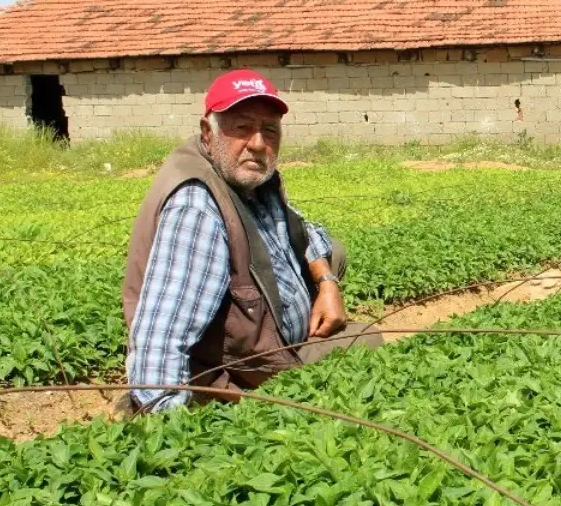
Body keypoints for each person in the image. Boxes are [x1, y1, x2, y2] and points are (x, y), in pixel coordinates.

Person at [122, 70, 382, 413]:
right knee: (365, 345)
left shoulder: (251, 179)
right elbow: (162, 338)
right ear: (208, 132)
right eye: (242, 128)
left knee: (338, 259)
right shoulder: (197, 207)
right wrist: (169, 432)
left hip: (273, 342)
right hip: (236, 373)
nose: (258, 143)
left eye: (269, 130)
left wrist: (326, 282)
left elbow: (306, 230)